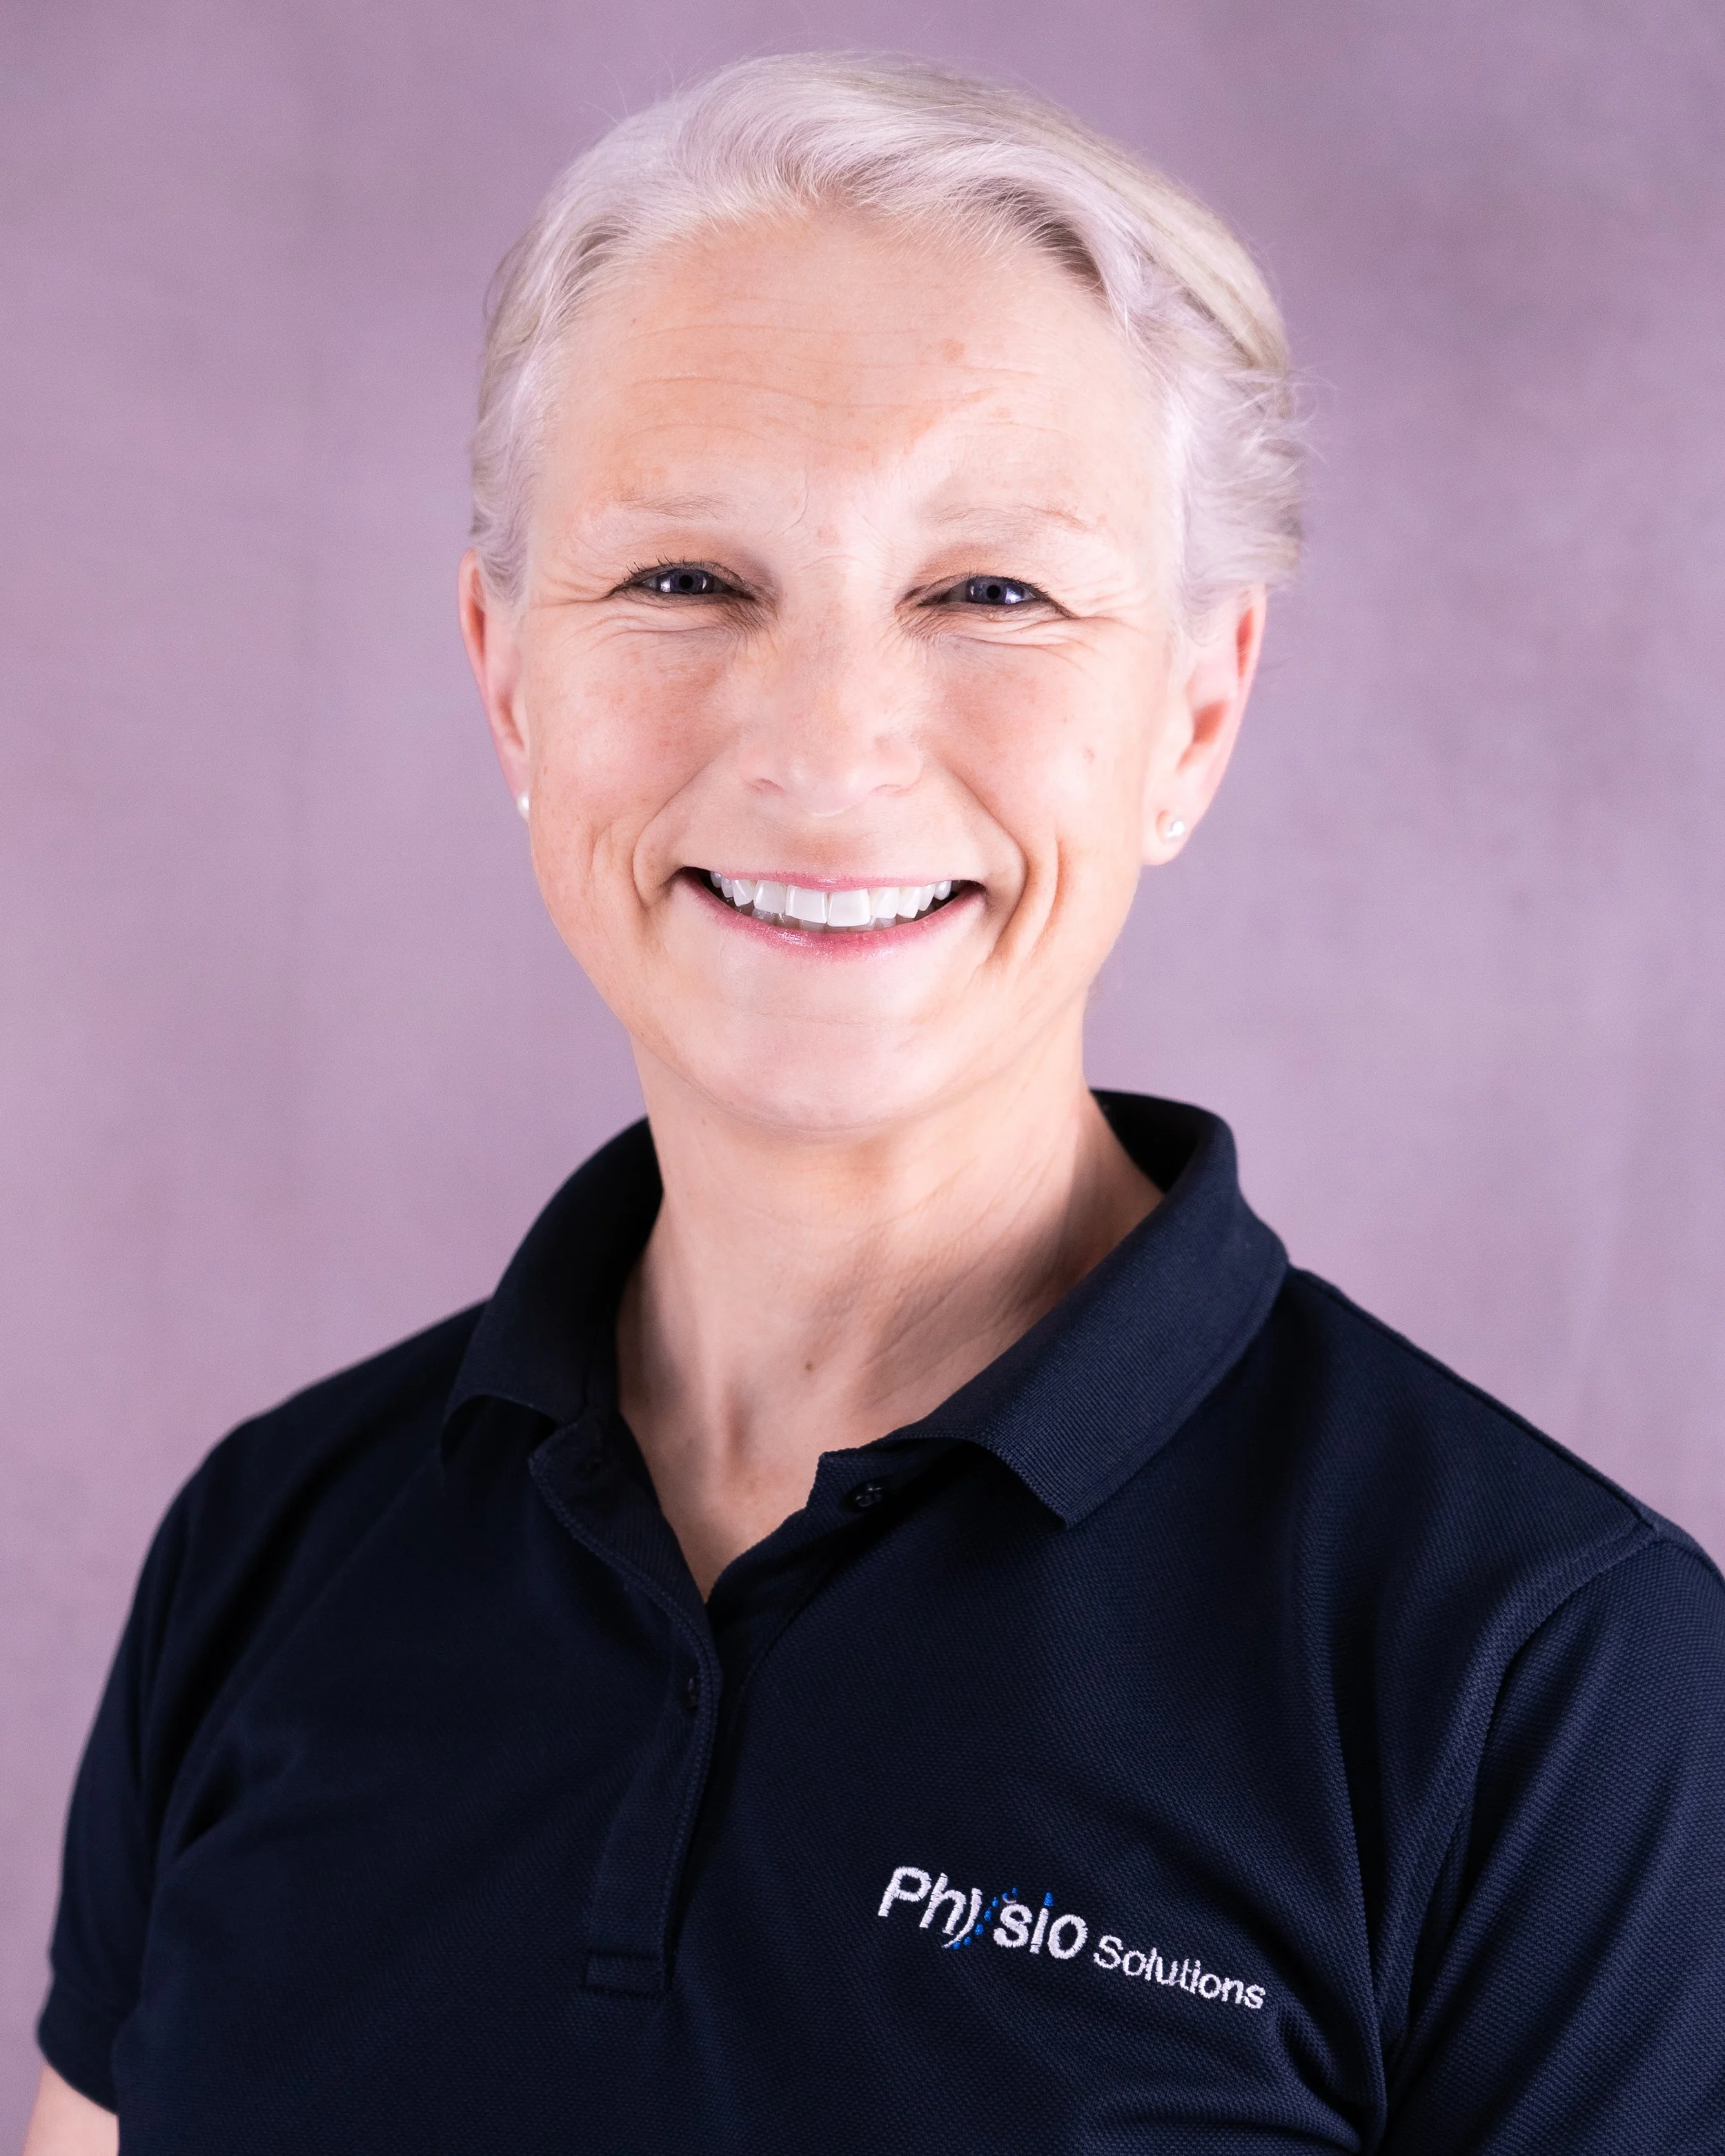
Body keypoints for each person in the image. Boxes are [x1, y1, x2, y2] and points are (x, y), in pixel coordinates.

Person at [23, 52, 1725, 2156]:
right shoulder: (271, 1546)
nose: (824, 747)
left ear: (1190, 713)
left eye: (988, 593)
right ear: (504, 681)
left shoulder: (1545, 1676)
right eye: (683, 582)